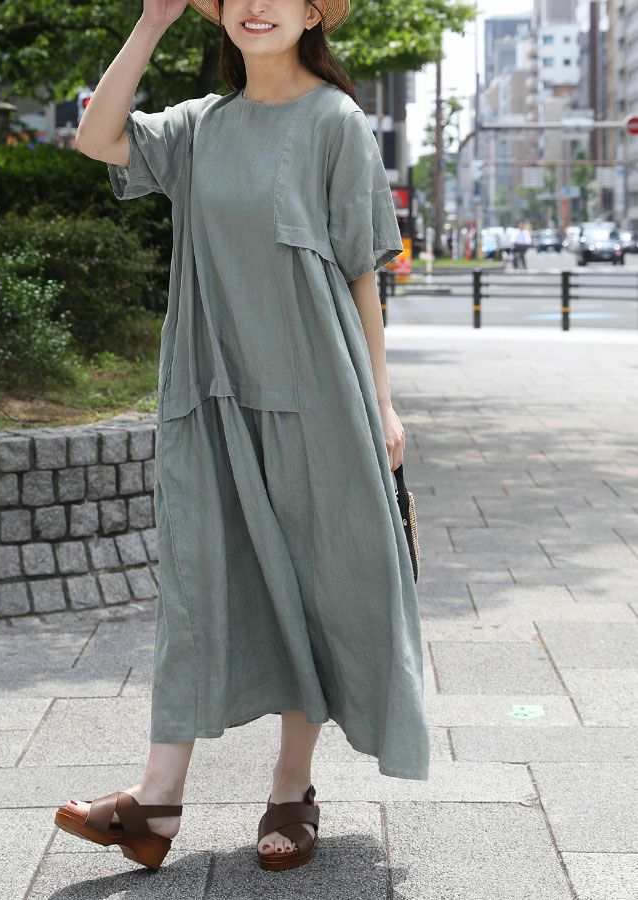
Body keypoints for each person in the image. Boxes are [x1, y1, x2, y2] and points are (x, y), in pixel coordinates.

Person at [55, 0, 430, 873]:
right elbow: (97, 137)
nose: (257, 7)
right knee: (197, 578)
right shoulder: (199, 127)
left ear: (311, 13)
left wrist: (382, 403)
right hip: (211, 393)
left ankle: (291, 788)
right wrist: (151, 22)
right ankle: (156, 799)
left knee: (318, 581)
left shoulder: (336, 120)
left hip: (318, 392)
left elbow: (361, 272)